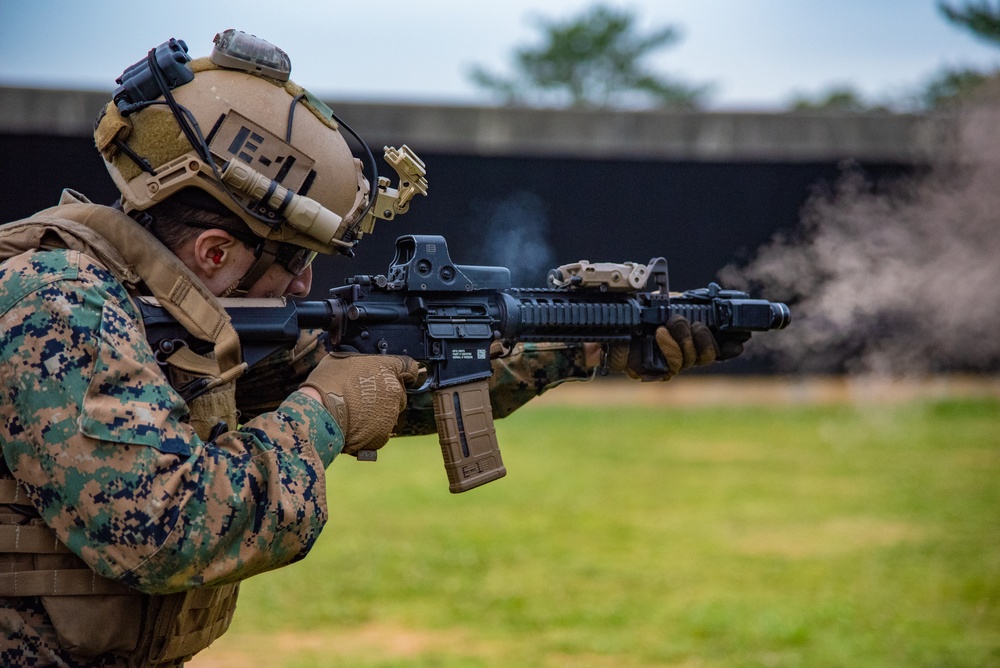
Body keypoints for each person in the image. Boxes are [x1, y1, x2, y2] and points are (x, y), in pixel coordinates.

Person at [0, 31, 736, 666]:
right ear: (218, 252)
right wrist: (326, 412)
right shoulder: (58, 303)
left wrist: (592, 347)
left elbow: (401, 382)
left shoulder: (180, 317)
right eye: (292, 261)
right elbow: (165, 529)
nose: (307, 283)